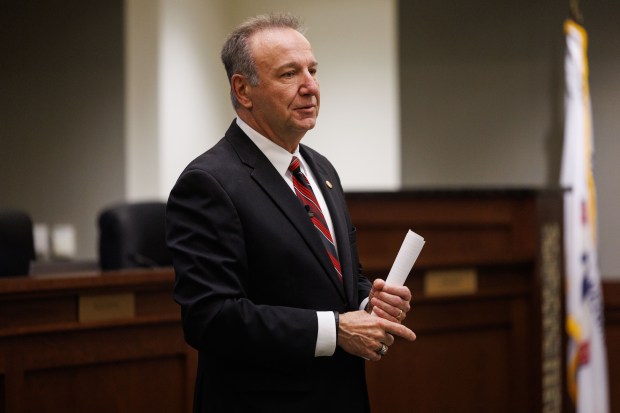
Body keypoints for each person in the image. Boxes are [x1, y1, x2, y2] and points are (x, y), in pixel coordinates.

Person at [166, 13, 416, 413]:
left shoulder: (320, 168)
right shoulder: (208, 183)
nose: (310, 87)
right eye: (289, 74)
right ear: (243, 90)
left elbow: (337, 282)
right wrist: (335, 331)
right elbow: (211, 318)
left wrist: (370, 303)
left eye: (312, 70)